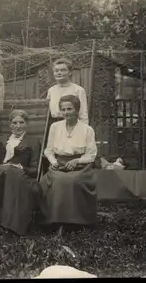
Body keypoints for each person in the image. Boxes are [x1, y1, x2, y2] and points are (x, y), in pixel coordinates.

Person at [40, 94, 98, 229]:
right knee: (56, 180)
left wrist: (77, 160)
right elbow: (48, 150)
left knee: (71, 181)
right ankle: (54, 220)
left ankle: (75, 221)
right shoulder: (55, 127)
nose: (66, 112)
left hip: (80, 167)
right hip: (59, 165)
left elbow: (92, 154)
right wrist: (53, 161)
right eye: (63, 109)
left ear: (77, 110)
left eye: (69, 109)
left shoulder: (87, 130)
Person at [46, 58, 88, 125]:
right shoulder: (51, 90)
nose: (59, 73)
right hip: (53, 125)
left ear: (70, 72)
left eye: (63, 70)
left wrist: (84, 132)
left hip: (72, 124)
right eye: (56, 71)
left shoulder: (78, 90)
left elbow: (83, 114)